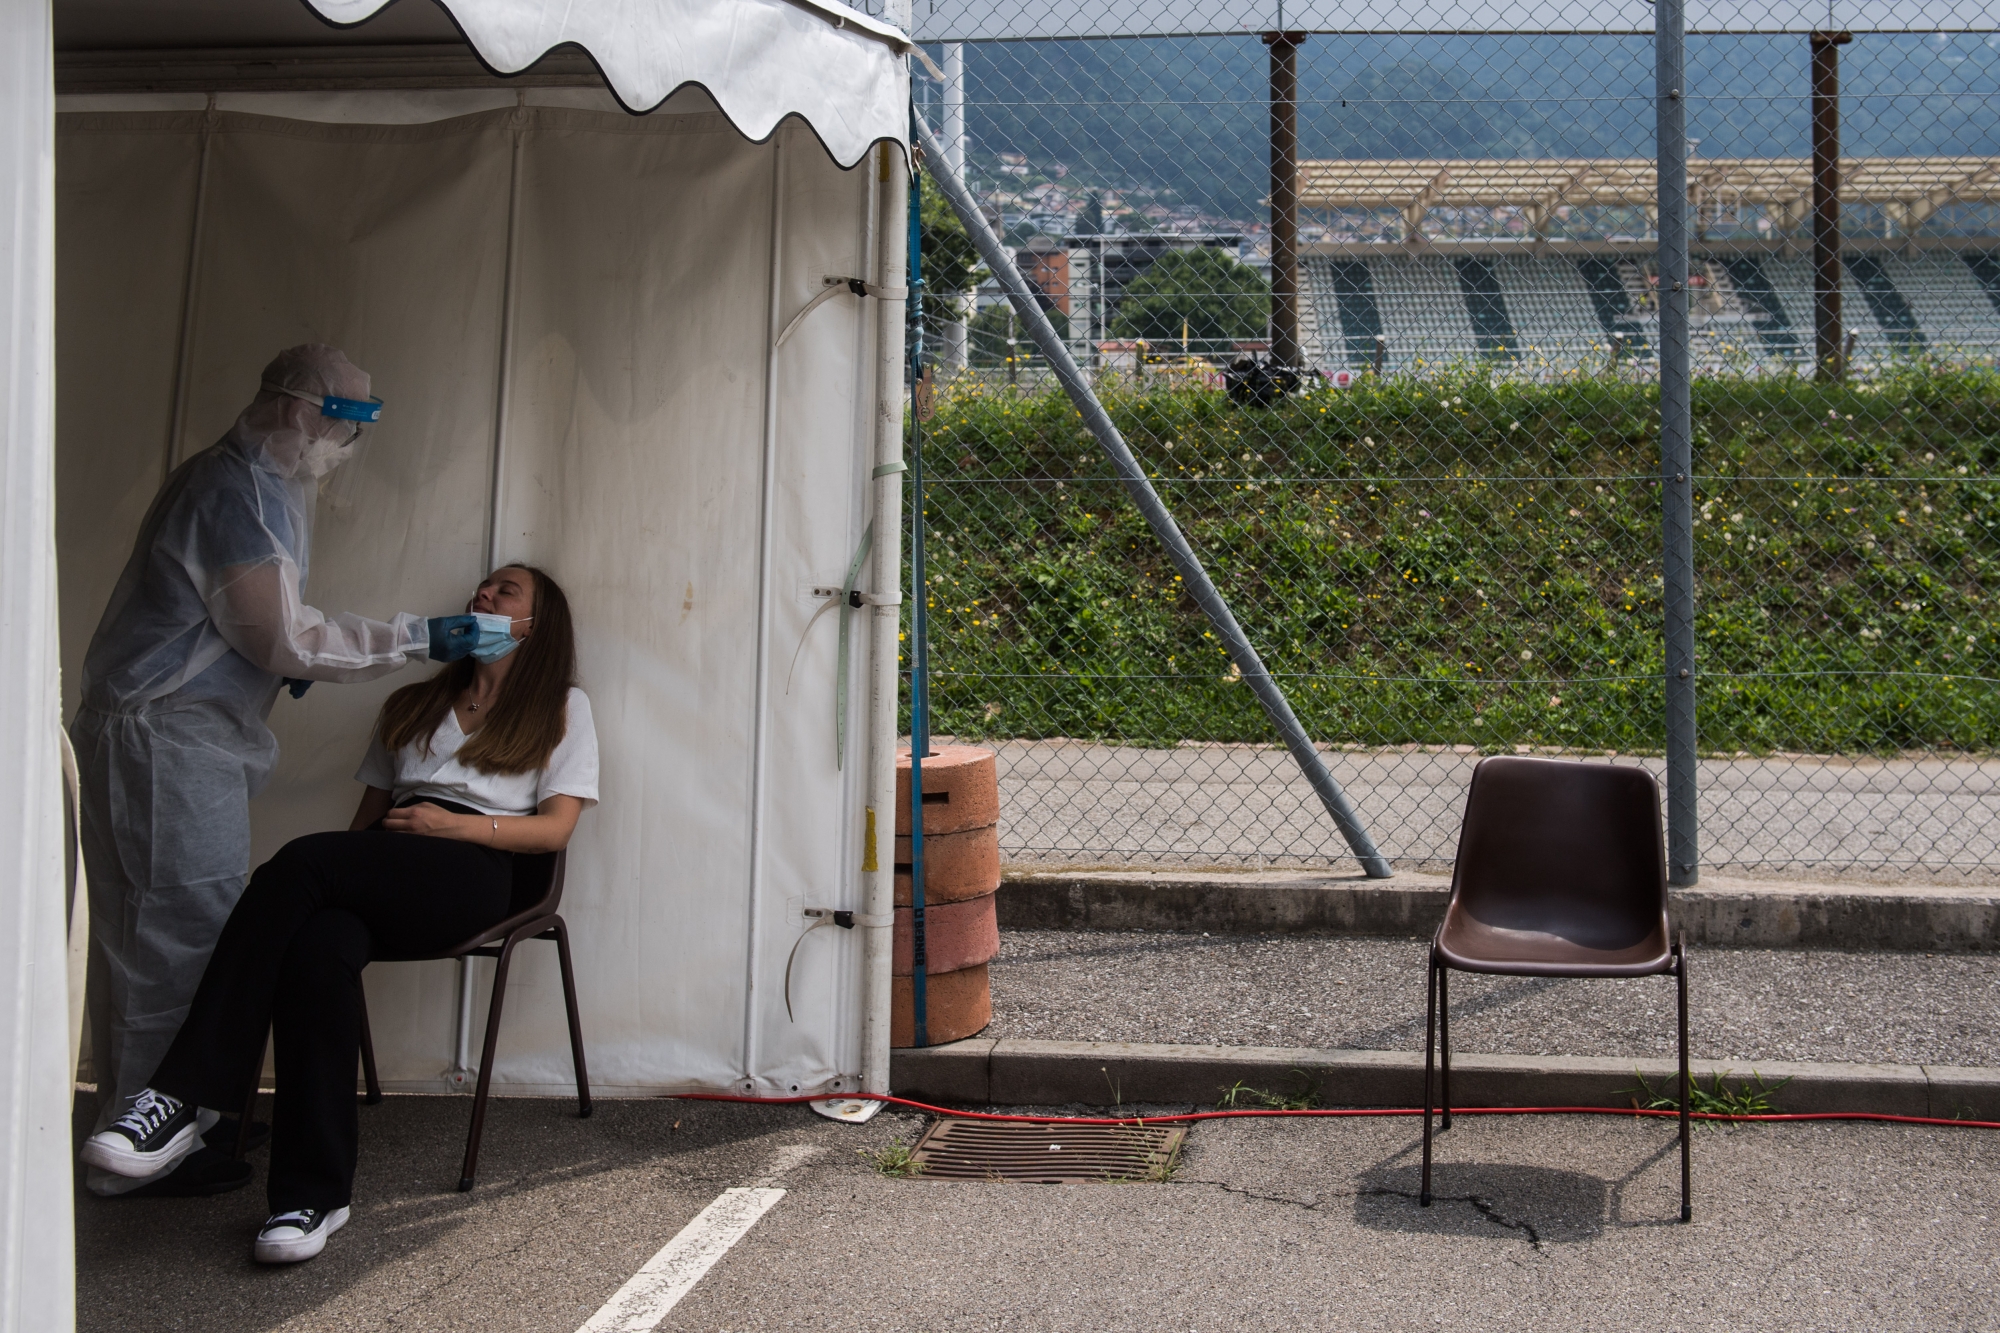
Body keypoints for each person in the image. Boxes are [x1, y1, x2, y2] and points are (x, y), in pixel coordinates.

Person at [81, 564, 598, 1263]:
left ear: (535, 624)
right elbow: (364, 832)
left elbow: (555, 830)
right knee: (316, 946)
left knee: (300, 863)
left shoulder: (562, 707)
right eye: (481, 587)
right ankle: (310, 1196)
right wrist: (350, 875)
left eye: (505, 591)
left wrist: (455, 829)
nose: (483, 596)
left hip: (479, 869)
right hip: (386, 864)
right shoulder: (413, 705)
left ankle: (181, 1093)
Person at [71, 344, 479, 1197]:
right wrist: (414, 637)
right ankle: (169, 1130)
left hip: (163, 736)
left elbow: (254, 625)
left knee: (150, 934)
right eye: (342, 425)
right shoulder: (238, 490)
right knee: (181, 936)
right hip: (168, 745)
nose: (345, 445)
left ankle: (153, 1117)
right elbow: (280, 634)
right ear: (300, 409)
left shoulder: (260, 488)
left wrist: (272, 652)